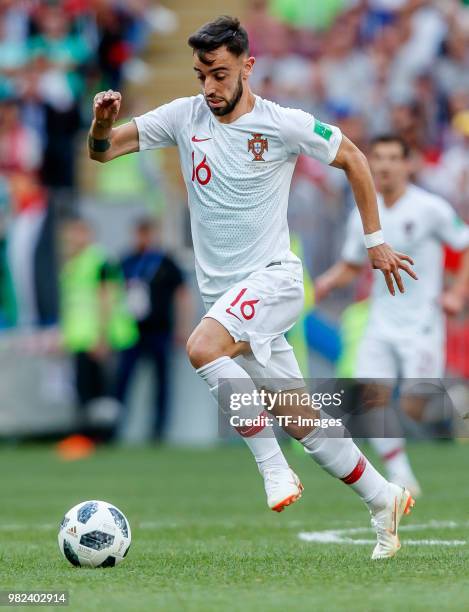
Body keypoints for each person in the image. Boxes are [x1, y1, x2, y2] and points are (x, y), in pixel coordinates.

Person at [87, 16, 417, 560]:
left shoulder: (282, 124)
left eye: (219, 74)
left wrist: (375, 240)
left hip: (276, 280)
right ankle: (383, 498)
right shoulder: (183, 117)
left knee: (201, 347)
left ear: (247, 66)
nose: (210, 88)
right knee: (302, 420)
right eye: (200, 76)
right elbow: (102, 152)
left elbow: (354, 158)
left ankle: (271, 467)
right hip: (227, 298)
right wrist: (101, 123)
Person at [316, 134, 469, 496]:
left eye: (391, 158)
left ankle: (456, 405)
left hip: (422, 324)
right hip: (380, 321)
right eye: (377, 158)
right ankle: (402, 475)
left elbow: (465, 246)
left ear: (408, 164)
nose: (383, 165)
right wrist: (324, 283)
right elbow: (352, 264)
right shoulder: (363, 212)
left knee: (414, 407)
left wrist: (457, 293)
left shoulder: (430, 208)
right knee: (372, 397)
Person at [60, 217, 138, 440]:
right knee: (85, 390)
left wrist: (102, 337)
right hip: (81, 337)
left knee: (101, 392)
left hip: (97, 337)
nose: (70, 239)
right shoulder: (74, 262)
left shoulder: (100, 260)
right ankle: (90, 437)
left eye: (76, 233)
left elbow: (106, 299)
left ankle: (104, 437)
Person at [115, 216, 191, 441]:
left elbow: (182, 296)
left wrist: (183, 327)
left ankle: (158, 431)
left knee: (162, 383)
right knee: (123, 382)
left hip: (160, 331)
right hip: (130, 331)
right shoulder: (126, 261)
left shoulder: (166, 263)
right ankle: (114, 429)